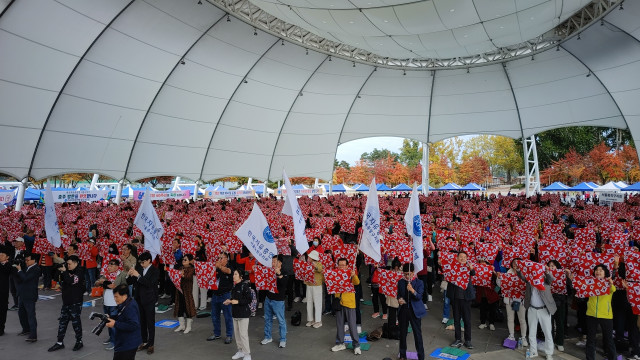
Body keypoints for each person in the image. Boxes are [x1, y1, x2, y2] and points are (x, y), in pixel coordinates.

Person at [514, 260, 557, 360]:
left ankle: (549, 353)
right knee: (532, 332)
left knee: (547, 332)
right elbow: (522, 277)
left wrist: (547, 271)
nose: (535, 272)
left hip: (544, 309)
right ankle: (533, 351)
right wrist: (519, 269)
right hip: (532, 309)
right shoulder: (529, 279)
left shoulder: (545, 278)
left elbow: (551, 279)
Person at [48, 255, 85, 352]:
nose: (68, 266)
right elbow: (57, 278)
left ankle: (79, 341)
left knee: (75, 323)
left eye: (69, 264)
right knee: (62, 322)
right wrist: (59, 270)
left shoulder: (80, 271)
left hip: (75, 302)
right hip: (66, 301)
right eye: (67, 264)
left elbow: (71, 281)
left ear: (76, 263)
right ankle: (59, 342)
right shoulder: (66, 270)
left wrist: (64, 272)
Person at [127, 252, 158, 354]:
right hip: (139, 298)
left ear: (149, 260)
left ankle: (151, 344)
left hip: (149, 299)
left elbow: (149, 284)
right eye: (140, 262)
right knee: (142, 322)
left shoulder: (155, 270)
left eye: (143, 262)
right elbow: (133, 282)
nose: (141, 264)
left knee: (150, 322)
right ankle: (144, 342)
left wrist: (139, 276)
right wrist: (130, 275)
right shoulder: (139, 269)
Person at [585, 264, 617, 360]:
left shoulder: (608, 283)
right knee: (590, 339)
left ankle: (613, 358)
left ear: (605, 273)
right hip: (591, 314)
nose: (598, 271)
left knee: (609, 339)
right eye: (597, 270)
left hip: (606, 316)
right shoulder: (590, 282)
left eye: (601, 270)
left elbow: (613, 289)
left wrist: (610, 283)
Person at [97, 258, 129, 350]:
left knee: (114, 322)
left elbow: (126, 287)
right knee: (107, 321)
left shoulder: (122, 274)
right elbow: (96, 283)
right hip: (106, 302)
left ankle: (115, 341)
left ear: (117, 266)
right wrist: (100, 282)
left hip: (115, 303)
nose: (109, 267)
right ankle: (111, 337)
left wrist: (116, 287)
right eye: (109, 265)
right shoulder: (105, 275)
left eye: (111, 265)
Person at [331, 257, 361, 355]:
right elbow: (326, 281)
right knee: (339, 324)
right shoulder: (335, 273)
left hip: (350, 303)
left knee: (352, 325)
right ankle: (340, 343)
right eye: (340, 265)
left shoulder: (351, 273)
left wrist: (354, 275)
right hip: (339, 302)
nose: (341, 267)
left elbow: (357, 282)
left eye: (343, 265)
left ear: (347, 266)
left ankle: (356, 345)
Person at [447, 251, 476, 349]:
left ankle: (468, 340)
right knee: (456, 320)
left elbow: (473, 273)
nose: (462, 258)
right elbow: (445, 271)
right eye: (460, 257)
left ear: (467, 259)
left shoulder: (468, 268)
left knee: (467, 320)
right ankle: (458, 339)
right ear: (457, 258)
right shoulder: (452, 268)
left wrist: (471, 268)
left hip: (466, 298)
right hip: (455, 298)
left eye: (464, 257)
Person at [397, 263, 426, 360]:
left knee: (417, 334)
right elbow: (399, 294)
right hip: (404, 310)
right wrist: (399, 299)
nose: (407, 276)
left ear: (413, 273)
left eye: (409, 274)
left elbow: (419, 297)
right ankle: (402, 355)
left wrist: (412, 290)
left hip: (415, 311)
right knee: (402, 333)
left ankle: (421, 356)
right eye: (405, 274)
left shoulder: (419, 282)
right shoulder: (401, 282)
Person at [105, 284, 142, 360]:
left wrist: (115, 323)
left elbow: (134, 325)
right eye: (114, 297)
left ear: (124, 295)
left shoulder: (130, 306)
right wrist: (110, 318)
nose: (115, 299)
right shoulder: (126, 303)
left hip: (128, 344)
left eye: (116, 297)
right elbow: (122, 317)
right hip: (124, 342)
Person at [498, 258, 528, 347]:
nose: (515, 264)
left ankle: (523, 337)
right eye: (514, 263)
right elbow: (500, 285)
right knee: (510, 318)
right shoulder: (508, 273)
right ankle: (511, 335)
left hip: (521, 300)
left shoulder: (525, 274)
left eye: (518, 263)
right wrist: (499, 278)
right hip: (510, 299)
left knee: (522, 320)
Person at [224, 269, 252, 360]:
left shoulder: (245, 286)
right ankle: (240, 351)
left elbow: (249, 299)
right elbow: (234, 298)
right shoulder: (234, 287)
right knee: (237, 334)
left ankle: (247, 354)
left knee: (243, 335)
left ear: (241, 277)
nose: (233, 276)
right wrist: (230, 301)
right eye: (233, 274)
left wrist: (238, 301)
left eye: (235, 274)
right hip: (235, 314)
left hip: (243, 314)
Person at [261, 255, 288, 348]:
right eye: (272, 261)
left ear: (280, 263)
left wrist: (279, 274)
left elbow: (284, 284)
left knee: (281, 320)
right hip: (268, 298)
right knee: (268, 319)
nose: (273, 263)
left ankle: (283, 339)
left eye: (275, 261)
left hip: (278, 301)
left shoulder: (284, 271)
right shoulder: (269, 270)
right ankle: (268, 337)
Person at [14, 252, 40, 342]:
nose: (26, 262)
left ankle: (33, 335)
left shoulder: (36, 269)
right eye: (25, 260)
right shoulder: (27, 267)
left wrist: (20, 270)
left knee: (31, 315)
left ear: (34, 260)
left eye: (28, 260)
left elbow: (25, 278)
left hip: (29, 295)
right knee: (21, 313)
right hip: (22, 294)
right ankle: (26, 329)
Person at [208, 251, 234, 343]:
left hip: (225, 295)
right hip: (215, 295)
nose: (218, 260)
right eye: (218, 258)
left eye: (221, 258)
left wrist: (219, 266)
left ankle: (229, 335)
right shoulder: (215, 268)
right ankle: (216, 333)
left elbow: (228, 271)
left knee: (228, 316)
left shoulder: (230, 267)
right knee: (214, 316)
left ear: (226, 259)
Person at [174, 254, 197, 334]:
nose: (183, 261)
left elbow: (188, 277)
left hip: (187, 292)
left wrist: (182, 275)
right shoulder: (181, 268)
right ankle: (182, 325)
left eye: (185, 259)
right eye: (183, 259)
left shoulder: (191, 269)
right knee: (180, 308)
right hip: (179, 290)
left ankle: (189, 326)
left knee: (188, 308)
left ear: (190, 261)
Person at [304, 250, 324, 328]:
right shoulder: (307, 264)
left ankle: (318, 321)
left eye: (309, 257)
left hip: (317, 285)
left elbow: (319, 269)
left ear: (312, 258)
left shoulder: (319, 264)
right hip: (309, 284)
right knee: (309, 302)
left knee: (317, 303)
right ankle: (310, 320)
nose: (308, 258)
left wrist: (314, 265)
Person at [0, 246, 11, 336]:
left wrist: (3, 263)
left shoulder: (8, 265)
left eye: (2, 255)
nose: (0, 256)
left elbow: (6, 271)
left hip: (3, 292)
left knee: (2, 310)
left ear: (7, 257)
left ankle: (1, 329)